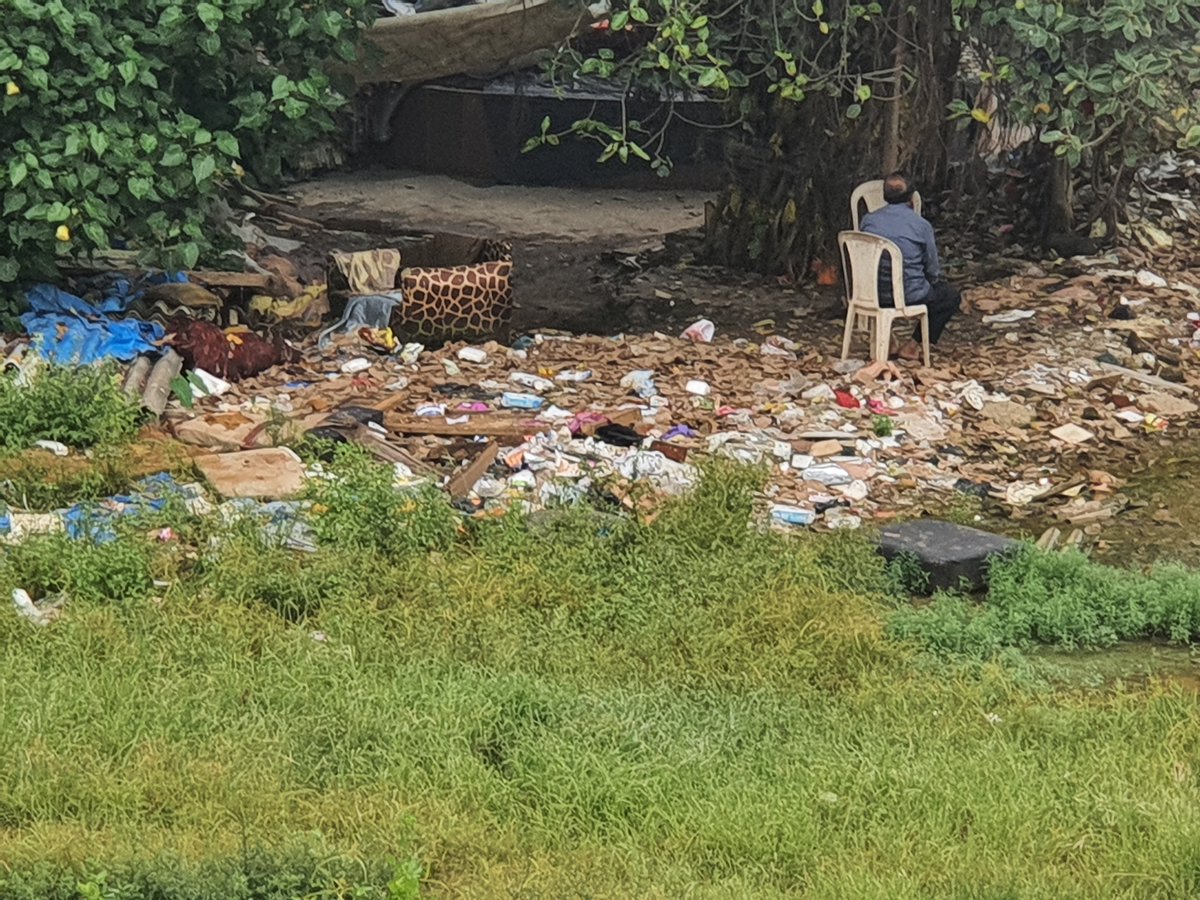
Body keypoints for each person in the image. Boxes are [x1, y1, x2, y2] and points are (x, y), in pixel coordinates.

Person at [859, 171, 960, 361]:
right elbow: (932, 269)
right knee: (950, 296)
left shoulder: (868, 221)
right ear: (912, 197)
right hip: (909, 295)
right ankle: (913, 345)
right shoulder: (921, 225)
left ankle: (887, 340)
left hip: (870, 293)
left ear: (884, 196)